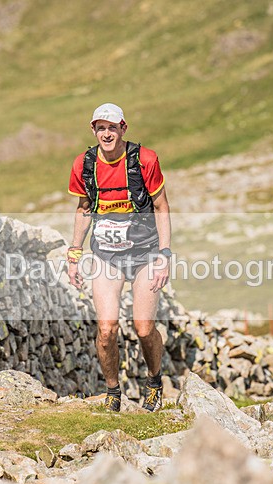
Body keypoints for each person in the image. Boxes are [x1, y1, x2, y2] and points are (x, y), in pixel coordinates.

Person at [66, 103, 172, 412]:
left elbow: (162, 206)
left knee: (143, 328)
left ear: (123, 129)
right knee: (107, 328)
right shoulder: (84, 164)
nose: (107, 133)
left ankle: (154, 381)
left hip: (145, 254)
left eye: (113, 127)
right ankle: (113, 392)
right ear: (94, 131)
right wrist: (74, 252)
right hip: (106, 257)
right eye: (101, 128)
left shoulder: (145, 160)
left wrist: (165, 254)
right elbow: (84, 209)